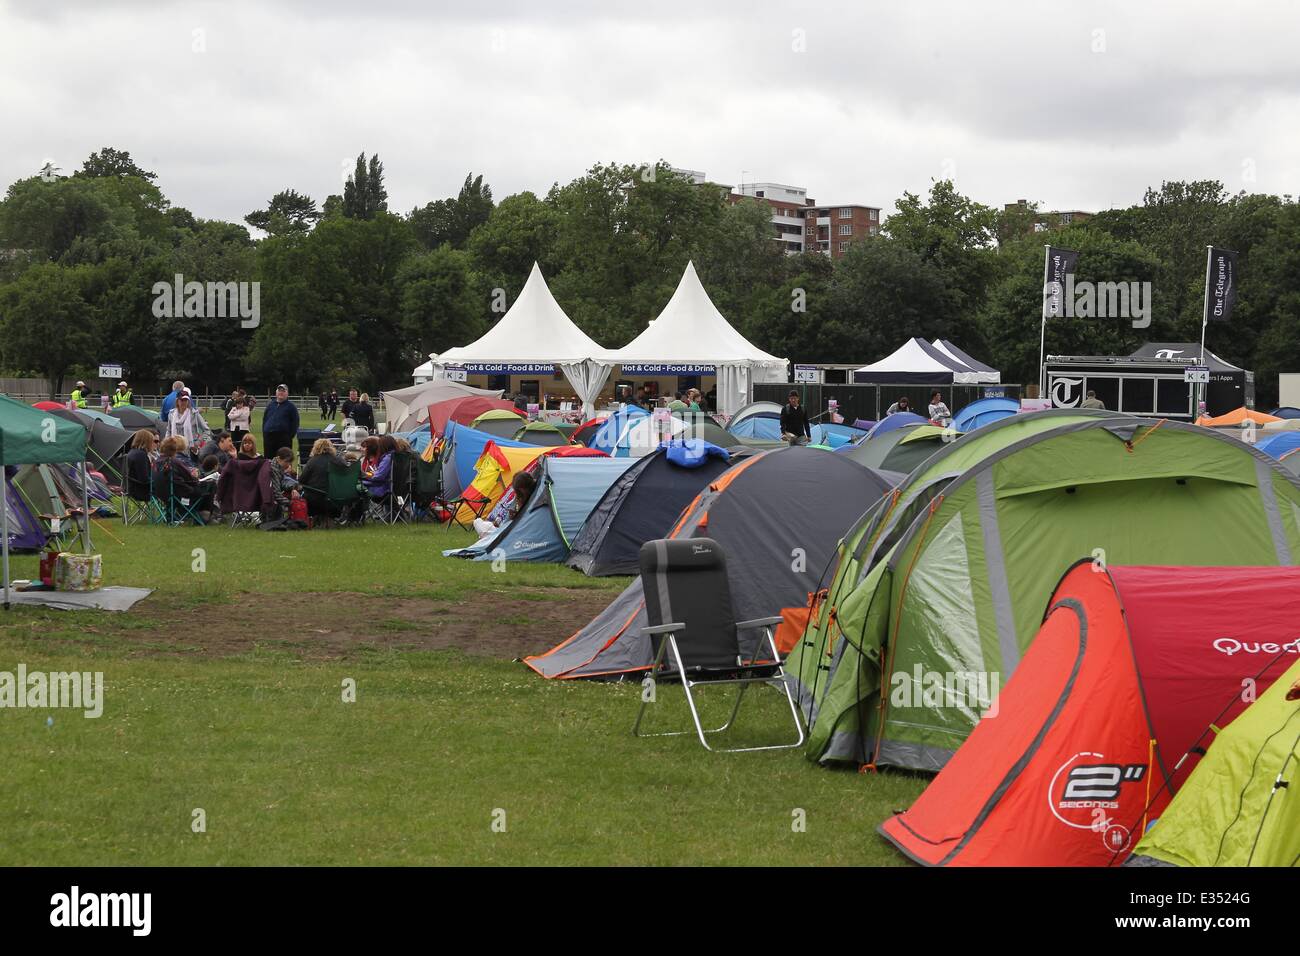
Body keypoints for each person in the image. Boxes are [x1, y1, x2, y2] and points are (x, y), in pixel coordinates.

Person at [472, 469, 537, 537]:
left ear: (522, 490)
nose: (517, 495)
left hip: (519, 534)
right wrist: (514, 516)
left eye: (517, 492)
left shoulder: (533, 501)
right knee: (478, 523)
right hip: (512, 530)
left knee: (481, 526)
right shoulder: (528, 497)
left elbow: (524, 523)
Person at [262, 384, 300, 459]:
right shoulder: (271, 405)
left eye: (283, 391)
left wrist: (289, 436)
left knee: (283, 460)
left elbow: (295, 422)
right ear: (276, 392)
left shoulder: (291, 406)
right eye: (279, 390)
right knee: (269, 460)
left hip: (283, 438)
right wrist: (265, 432)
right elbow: (265, 419)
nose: (281, 392)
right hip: (269, 437)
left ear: (287, 393)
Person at [125, 429, 158, 501]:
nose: (153, 444)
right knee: (170, 489)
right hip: (142, 491)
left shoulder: (132, 452)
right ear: (147, 441)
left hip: (133, 488)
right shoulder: (141, 455)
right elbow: (144, 479)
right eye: (152, 441)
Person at [362, 435, 398, 499]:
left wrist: (365, 476)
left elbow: (378, 476)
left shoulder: (388, 458)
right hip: (397, 489)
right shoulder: (399, 457)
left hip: (383, 490)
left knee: (358, 486)